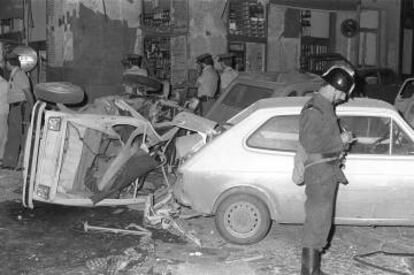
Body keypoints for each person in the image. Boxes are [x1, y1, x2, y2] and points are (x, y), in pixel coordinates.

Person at [299, 65, 356, 275]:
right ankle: (310, 272)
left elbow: (323, 139)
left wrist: (341, 141)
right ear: (335, 87)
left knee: (322, 224)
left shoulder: (325, 107)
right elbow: (311, 143)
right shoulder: (315, 109)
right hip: (319, 174)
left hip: (327, 172)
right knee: (316, 223)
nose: (343, 98)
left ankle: (313, 269)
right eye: (342, 93)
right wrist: (339, 140)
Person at [2, 51, 34, 170]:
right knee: (13, 136)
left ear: (9, 63)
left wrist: (33, 110)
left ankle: (26, 165)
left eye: (5, 62)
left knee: (23, 136)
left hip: (22, 109)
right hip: (15, 109)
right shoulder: (13, 75)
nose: (4, 65)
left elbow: (28, 93)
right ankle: (9, 163)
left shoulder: (20, 75)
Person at [0, 64, 8, 164]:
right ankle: (1, 156)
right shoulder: (5, 83)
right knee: (3, 135)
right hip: (3, 112)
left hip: (2, 111)